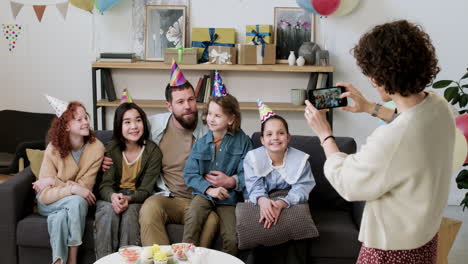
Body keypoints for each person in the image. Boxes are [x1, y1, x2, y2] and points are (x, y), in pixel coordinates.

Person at [304, 20, 455, 264]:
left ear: (383, 76)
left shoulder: (392, 138)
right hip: (425, 239)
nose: (371, 81)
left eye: (372, 75)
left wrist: (325, 134)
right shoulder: (439, 106)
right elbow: (410, 124)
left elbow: (348, 183)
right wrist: (370, 108)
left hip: (392, 251)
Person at [102, 61, 219, 247]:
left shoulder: (210, 130)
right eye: (180, 102)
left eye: (191, 99)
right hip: (168, 197)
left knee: (211, 220)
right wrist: (105, 155)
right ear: (169, 106)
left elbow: (236, 142)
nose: (188, 106)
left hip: (198, 199)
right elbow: (125, 133)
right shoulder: (153, 126)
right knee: (149, 209)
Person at [182, 71, 253, 255]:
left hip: (228, 199)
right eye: (209, 114)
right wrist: (209, 189)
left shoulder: (243, 142)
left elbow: (250, 173)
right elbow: (190, 174)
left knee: (232, 237)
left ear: (231, 119)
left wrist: (232, 182)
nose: (211, 119)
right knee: (193, 217)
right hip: (204, 194)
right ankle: (185, 258)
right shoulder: (201, 142)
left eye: (218, 116)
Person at [33, 96, 105, 264]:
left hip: (73, 202)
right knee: (76, 201)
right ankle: (73, 261)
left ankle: (60, 261)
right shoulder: (53, 149)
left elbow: (85, 187)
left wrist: (53, 180)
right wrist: (72, 189)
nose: (85, 122)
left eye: (85, 117)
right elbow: (44, 194)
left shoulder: (97, 148)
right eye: (78, 120)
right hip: (49, 201)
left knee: (63, 214)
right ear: (66, 126)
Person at [94, 95, 162, 258]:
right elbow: (105, 186)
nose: (134, 126)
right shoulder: (111, 149)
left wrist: (129, 199)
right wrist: (112, 197)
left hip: (136, 198)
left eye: (138, 120)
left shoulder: (153, 152)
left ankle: (129, 260)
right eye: (127, 122)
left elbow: (146, 190)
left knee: (131, 215)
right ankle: (104, 260)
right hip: (113, 196)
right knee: (107, 212)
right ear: (119, 126)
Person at [244, 100, 315, 229]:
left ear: (288, 137)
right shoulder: (252, 159)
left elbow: (302, 188)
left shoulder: (301, 160)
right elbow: (254, 186)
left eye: (281, 133)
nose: (275, 137)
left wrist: (282, 203)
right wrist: (262, 200)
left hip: (289, 200)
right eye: (269, 134)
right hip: (262, 199)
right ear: (262, 140)